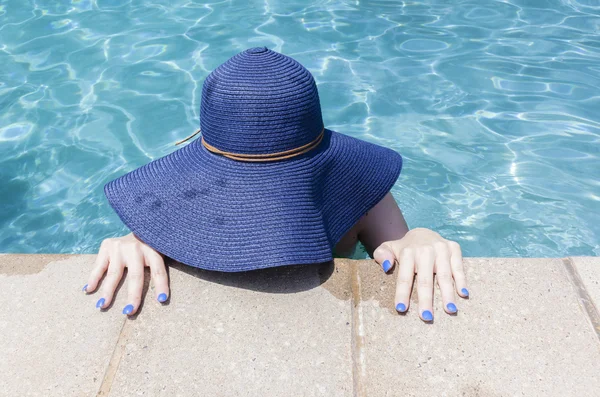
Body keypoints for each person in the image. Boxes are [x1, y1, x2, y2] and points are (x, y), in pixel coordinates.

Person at [83, 47, 469, 322]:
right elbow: (157, 215)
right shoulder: (175, 198)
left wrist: (420, 237)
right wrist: (136, 240)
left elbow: (398, 245)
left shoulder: (358, 191)